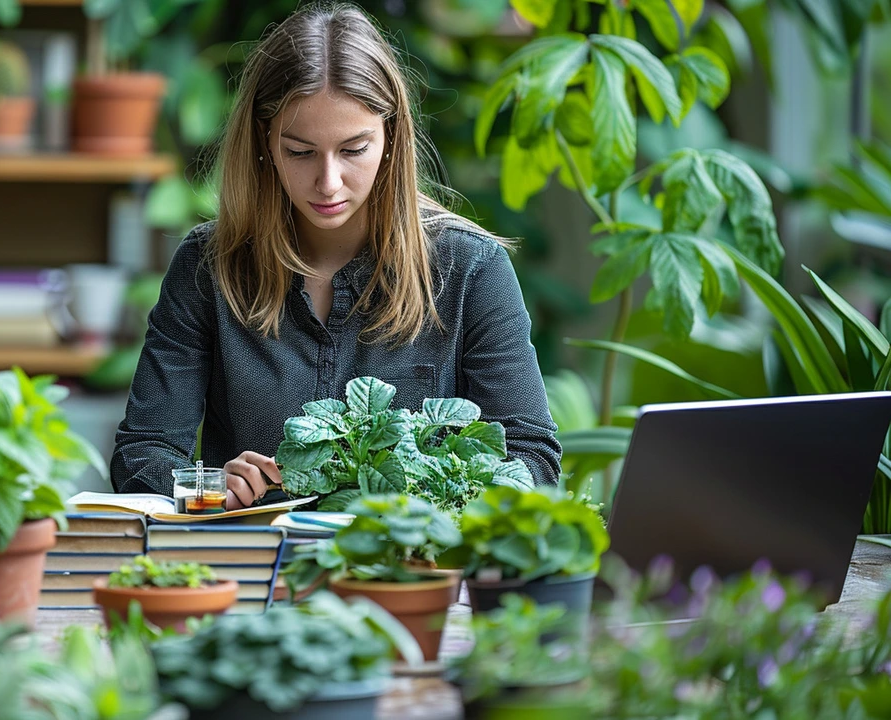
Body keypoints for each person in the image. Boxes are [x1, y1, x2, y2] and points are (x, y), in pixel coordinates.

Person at [110, 3, 560, 508]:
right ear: (265, 143)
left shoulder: (470, 270)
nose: (328, 182)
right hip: (253, 569)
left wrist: (427, 490)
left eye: (353, 150)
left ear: (390, 139)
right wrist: (214, 487)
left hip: (409, 569)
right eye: (300, 152)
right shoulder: (209, 266)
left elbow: (533, 462)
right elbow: (141, 454)